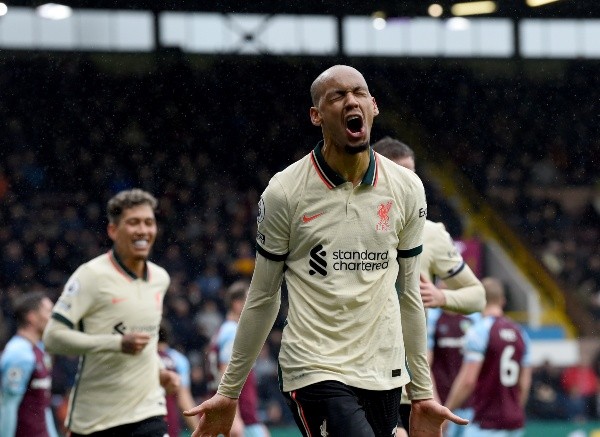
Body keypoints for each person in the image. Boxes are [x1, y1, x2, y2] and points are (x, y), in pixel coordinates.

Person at [184, 64, 467, 437]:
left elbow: (408, 293)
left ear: (374, 106)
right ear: (316, 116)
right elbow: (264, 296)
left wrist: (422, 393)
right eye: (337, 96)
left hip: (384, 371)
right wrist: (229, 391)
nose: (351, 101)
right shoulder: (286, 191)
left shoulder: (407, 188)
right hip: (314, 367)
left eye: (359, 93)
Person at [42, 188, 180, 436]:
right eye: (133, 222)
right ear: (113, 230)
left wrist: (159, 371)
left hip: (148, 411)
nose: (143, 230)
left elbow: (148, 341)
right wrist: (116, 343)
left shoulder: (160, 278)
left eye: (149, 222)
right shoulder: (91, 275)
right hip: (97, 419)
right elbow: (53, 338)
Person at [372, 137, 485, 437]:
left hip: (410, 387)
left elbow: (478, 295)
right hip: (360, 378)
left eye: (413, 174)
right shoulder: (351, 226)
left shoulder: (432, 234)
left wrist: (440, 295)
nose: (409, 183)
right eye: (400, 174)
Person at [444, 277, 532, 437]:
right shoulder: (521, 333)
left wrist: (447, 411)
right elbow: (524, 384)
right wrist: (512, 410)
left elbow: (468, 381)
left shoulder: (479, 331)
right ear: (502, 301)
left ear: (479, 300)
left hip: (485, 424)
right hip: (514, 424)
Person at [209, 280, 271, 437]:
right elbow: (225, 372)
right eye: (250, 301)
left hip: (239, 415)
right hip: (240, 417)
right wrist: (234, 418)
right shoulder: (233, 332)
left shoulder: (224, 330)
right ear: (237, 304)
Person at [0, 291, 59, 437]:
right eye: (48, 311)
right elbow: (8, 407)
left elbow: (43, 405)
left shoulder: (38, 351)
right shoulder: (18, 354)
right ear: (31, 317)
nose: (53, 317)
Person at [158, 319, 201, 437]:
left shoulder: (138, 358)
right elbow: (183, 400)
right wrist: (199, 431)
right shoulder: (177, 360)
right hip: (167, 426)